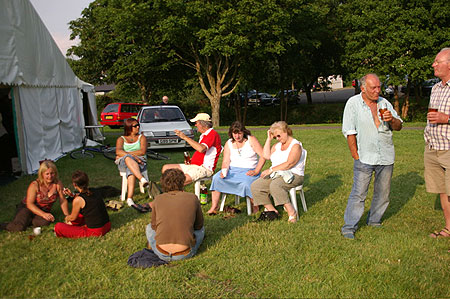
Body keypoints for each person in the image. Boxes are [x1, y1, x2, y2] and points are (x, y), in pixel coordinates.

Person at [341, 73, 403, 239]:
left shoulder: (384, 103)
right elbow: (349, 131)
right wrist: (356, 155)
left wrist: (392, 120)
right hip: (364, 156)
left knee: (383, 193)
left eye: (379, 87)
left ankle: (374, 221)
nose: (378, 91)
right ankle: (349, 227)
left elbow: (399, 126)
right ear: (363, 88)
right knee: (359, 193)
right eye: (373, 88)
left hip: (386, 155)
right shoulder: (353, 104)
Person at [250, 121, 306, 223]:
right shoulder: (277, 146)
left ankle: (292, 212)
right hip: (277, 174)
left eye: (279, 136)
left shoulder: (296, 146)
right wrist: (269, 139)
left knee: (275, 185)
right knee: (256, 186)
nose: (278, 138)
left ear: (286, 131)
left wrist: (271, 170)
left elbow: (289, 164)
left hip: (293, 175)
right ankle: (272, 211)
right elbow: (266, 156)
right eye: (275, 137)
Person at [146, 168, 204, 262]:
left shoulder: (158, 199)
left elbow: (153, 226)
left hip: (161, 253)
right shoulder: (193, 198)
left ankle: (156, 245)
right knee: (201, 230)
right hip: (185, 253)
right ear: (183, 182)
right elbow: (199, 225)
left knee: (149, 228)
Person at [207, 121, 265, 215]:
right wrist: (224, 171)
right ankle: (214, 206)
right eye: (235, 133)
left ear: (243, 132)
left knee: (247, 183)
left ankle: (255, 206)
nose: (237, 136)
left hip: (249, 170)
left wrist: (256, 170)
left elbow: (263, 156)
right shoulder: (229, 143)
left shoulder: (251, 140)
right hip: (232, 170)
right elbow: (226, 161)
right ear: (231, 133)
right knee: (216, 178)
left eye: (239, 133)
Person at [424, 48, 450, 238]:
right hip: (433, 147)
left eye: (437, 61)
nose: (433, 64)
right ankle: (448, 228)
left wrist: (446, 118)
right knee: (442, 190)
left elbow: (442, 117)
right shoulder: (435, 88)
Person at [1, 160, 69, 232]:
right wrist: (43, 214)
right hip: (27, 208)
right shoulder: (34, 185)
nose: (50, 176)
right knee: (18, 228)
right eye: (47, 174)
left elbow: (63, 200)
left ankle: (27, 220)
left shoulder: (57, 184)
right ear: (42, 174)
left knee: (45, 222)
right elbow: (29, 204)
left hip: (43, 209)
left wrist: (67, 216)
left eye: (52, 173)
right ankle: (5, 225)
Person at [162, 113, 222, 185]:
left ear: (203, 124)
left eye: (196, 123)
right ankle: (167, 192)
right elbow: (202, 153)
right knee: (166, 168)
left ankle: (170, 193)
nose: (195, 125)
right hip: (194, 165)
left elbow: (201, 149)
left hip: (203, 168)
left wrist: (185, 137)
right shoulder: (204, 135)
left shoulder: (212, 134)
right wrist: (190, 161)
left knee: (178, 181)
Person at [54, 170, 111, 238]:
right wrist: (72, 195)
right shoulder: (94, 190)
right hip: (107, 226)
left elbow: (73, 218)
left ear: (74, 185)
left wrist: (67, 217)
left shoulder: (78, 200)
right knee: (80, 215)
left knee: (58, 227)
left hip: (96, 231)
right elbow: (85, 196)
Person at [115, 118, 148, 207]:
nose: (138, 127)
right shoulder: (121, 139)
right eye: (135, 126)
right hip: (125, 162)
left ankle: (130, 198)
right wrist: (133, 156)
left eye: (138, 125)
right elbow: (118, 151)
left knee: (130, 168)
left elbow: (142, 151)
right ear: (129, 127)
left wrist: (126, 154)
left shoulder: (142, 137)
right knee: (128, 158)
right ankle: (141, 179)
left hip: (140, 161)